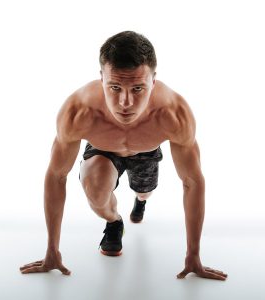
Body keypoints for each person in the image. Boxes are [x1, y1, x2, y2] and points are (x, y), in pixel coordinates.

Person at [19, 31, 228, 280]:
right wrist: (52, 249)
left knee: (145, 190)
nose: (125, 102)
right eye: (115, 87)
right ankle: (115, 221)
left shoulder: (173, 114)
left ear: (153, 81)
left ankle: (141, 201)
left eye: (137, 88)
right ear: (101, 79)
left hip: (147, 151)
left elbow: (192, 182)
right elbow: (56, 175)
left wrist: (193, 255)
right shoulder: (79, 111)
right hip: (103, 149)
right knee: (96, 192)